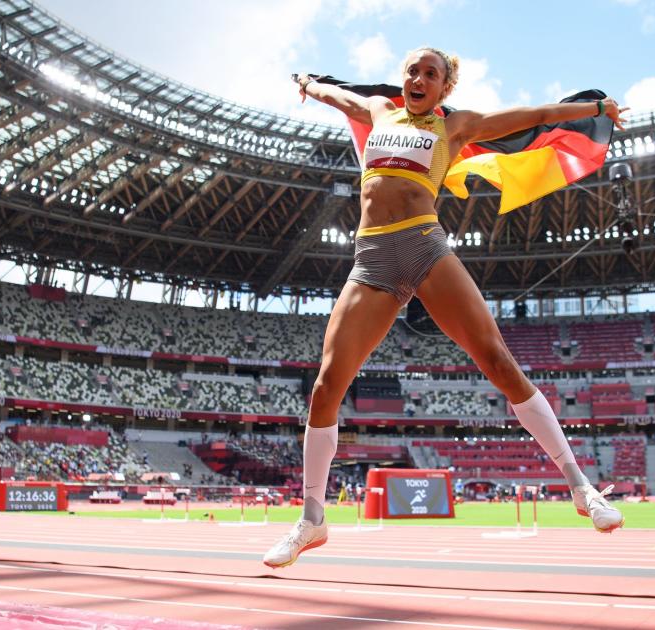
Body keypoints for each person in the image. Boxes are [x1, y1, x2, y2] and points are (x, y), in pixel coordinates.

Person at [263, 47, 627, 569]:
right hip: (372, 258)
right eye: (412, 70)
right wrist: (307, 81)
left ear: (443, 88)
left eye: (430, 74)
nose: (418, 78)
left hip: (425, 246)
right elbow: (334, 95)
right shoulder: (379, 111)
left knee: (497, 360)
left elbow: (539, 115)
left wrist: (596, 110)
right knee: (325, 385)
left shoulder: (457, 125)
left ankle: (581, 487)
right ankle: (312, 519)